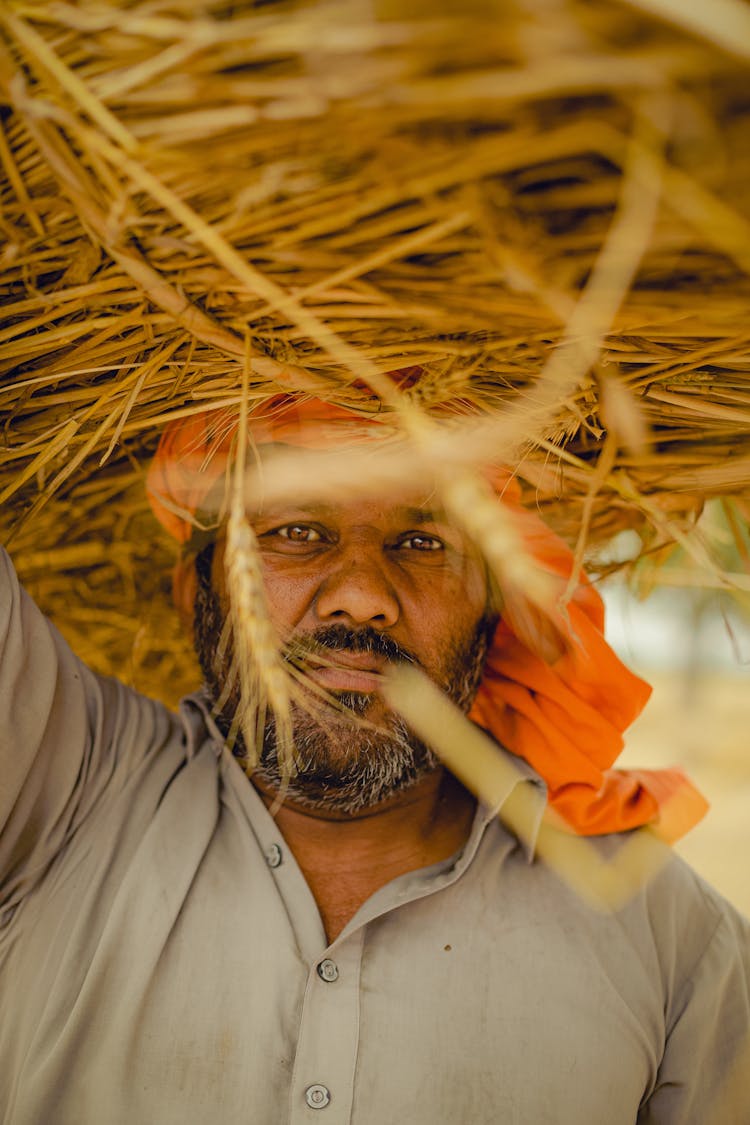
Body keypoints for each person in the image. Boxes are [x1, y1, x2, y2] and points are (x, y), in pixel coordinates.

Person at [1, 392, 748, 1124]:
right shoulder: (63, 786)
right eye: (297, 530)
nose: (361, 596)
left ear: (493, 608)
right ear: (199, 585)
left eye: (422, 543)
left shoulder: (668, 937)